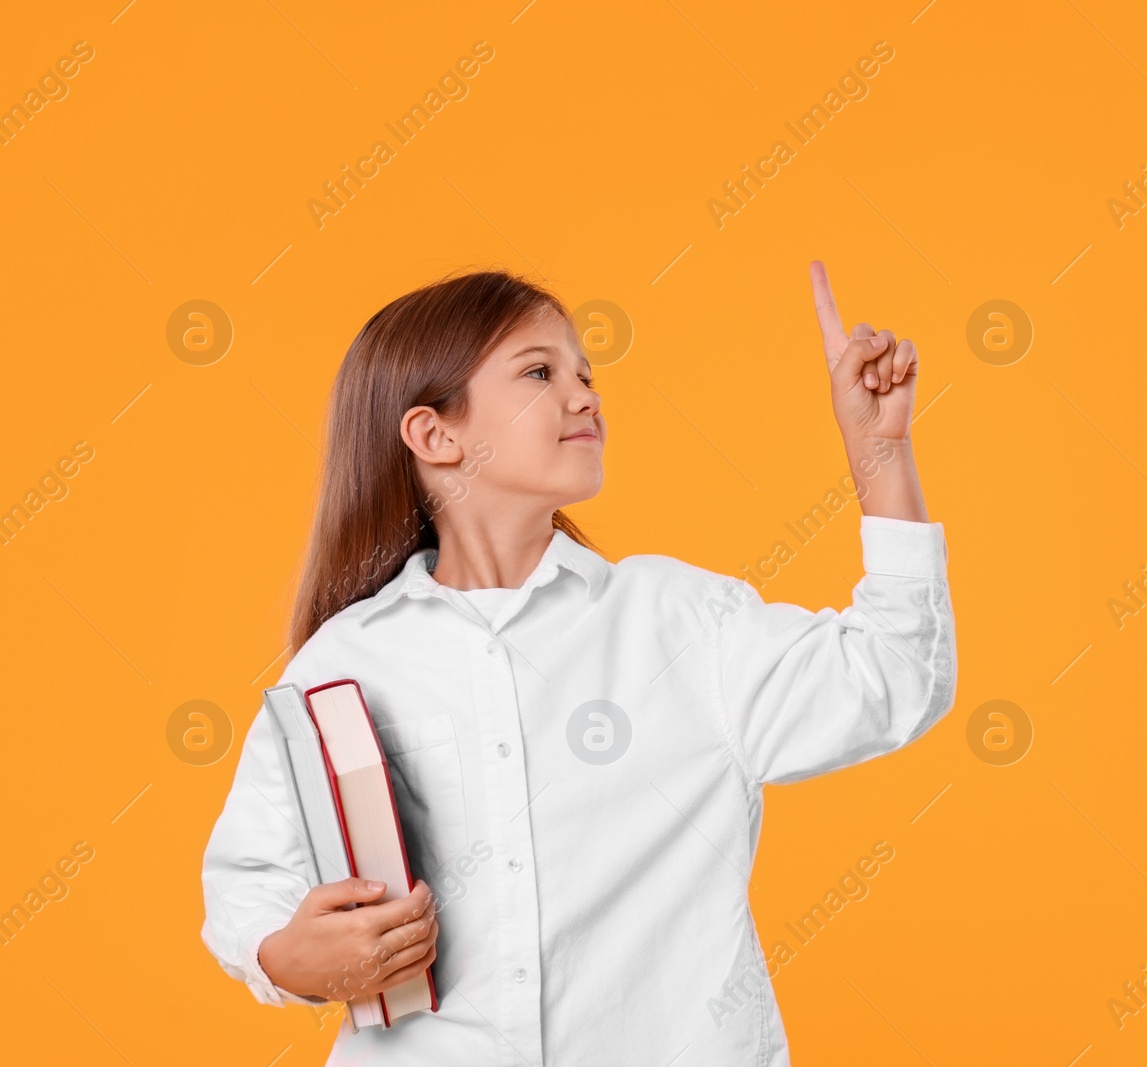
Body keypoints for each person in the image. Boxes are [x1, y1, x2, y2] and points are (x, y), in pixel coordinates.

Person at [199, 261, 957, 1065]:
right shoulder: (346, 659)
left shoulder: (681, 623)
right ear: (434, 434)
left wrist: (880, 454)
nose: (586, 394)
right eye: (539, 371)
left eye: (586, 374)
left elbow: (895, 676)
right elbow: (248, 888)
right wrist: (291, 959)